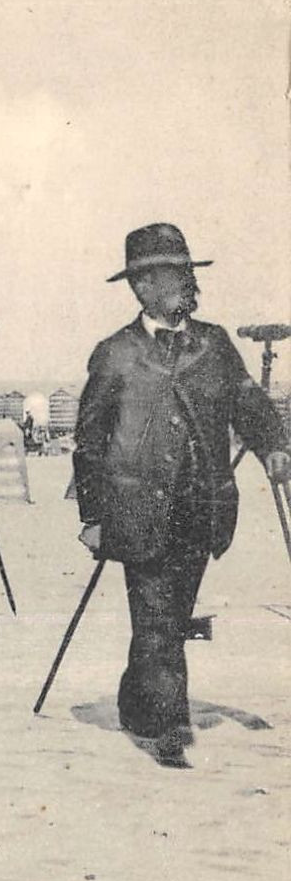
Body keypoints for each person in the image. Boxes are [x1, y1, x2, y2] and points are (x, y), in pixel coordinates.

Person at [74, 223, 291, 768]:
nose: (188, 284)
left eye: (189, 272)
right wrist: (93, 515)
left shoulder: (215, 344)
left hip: (202, 507)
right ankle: (166, 729)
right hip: (136, 510)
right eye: (176, 275)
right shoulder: (114, 354)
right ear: (143, 286)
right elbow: (89, 441)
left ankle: (137, 702)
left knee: (168, 615)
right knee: (156, 617)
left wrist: (273, 447)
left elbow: (246, 401)